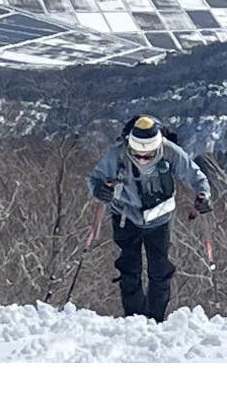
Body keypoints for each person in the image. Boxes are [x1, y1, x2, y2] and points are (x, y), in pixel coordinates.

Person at [86, 114, 212, 322]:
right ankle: (134, 318)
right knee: (129, 268)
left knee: (159, 269)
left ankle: (155, 319)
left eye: (148, 155)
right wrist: (99, 189)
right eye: (137, 154)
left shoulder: (171, 152)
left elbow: (195, 175)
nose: (142, 159)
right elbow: (95, 179)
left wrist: (203, 195)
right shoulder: (116, 153)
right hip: (125, 214)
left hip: (158, 217)